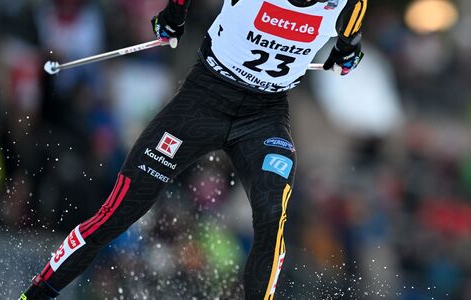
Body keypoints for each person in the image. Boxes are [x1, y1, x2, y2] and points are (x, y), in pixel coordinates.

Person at [20, 0, 365, 298]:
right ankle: (36, 293)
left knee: (272, 217)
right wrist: (173, 16)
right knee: (119, 213)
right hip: (204, 100)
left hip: (265, 116)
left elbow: (349, 43)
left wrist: (346, 55)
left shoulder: (349, 5)